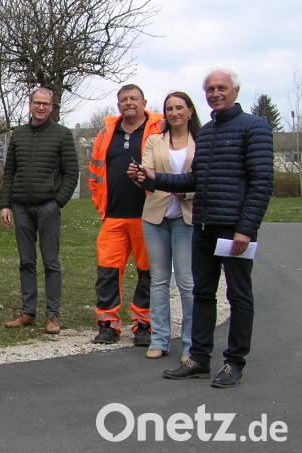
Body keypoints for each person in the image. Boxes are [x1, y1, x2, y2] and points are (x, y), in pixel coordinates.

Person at [130, 69, 274, 388]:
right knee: (202, 293)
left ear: (235, 90)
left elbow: (262, 182)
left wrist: (245, 229)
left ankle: (234, 362)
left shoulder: (255, 127)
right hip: (203, 226)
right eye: (209, 88)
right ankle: (199, 359)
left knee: (239, 295)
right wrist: (153, 180)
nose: (215, 93)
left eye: (221, 87)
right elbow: (194, 181)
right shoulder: (206, 133)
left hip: (235, 229)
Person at [88, 84, 163, 346]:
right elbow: (95, 171)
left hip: (148, 216)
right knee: (107, 271)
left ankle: (143, 324)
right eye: (123, 99)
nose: (129, 102)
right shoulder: (107, 133)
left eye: (134, 98)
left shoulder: (158, 128)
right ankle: (108, 324)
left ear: (144, 102)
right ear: (117, 104)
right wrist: (101, 205)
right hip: (113, 217)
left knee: (148, 272)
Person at [0, 87, 79, 334]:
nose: (41, 107)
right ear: (30, 104)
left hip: (48, 207)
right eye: (37, 103)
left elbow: (71, 172)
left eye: (46, 103)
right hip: (20, 206)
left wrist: (58, 202)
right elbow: (9, 172)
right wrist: (5, 203)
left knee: (51, 262)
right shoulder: (19, 134)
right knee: (26, 262)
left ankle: (52, 315)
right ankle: (28, 312)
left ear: (51, 107)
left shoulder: (62, 135)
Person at [139, 92, 201, 360]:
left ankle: (190, 344)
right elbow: (147, 174)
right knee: (159, 281)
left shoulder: (201, 141)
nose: (174, 113)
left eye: (179, 108)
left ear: (189, 111)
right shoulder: (154, 140)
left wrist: (184, 191)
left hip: (187, 218)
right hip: (156, 218)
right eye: (169, 109)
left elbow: (204, 180)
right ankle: (160, 339)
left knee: (187, 283)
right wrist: (149, 178)